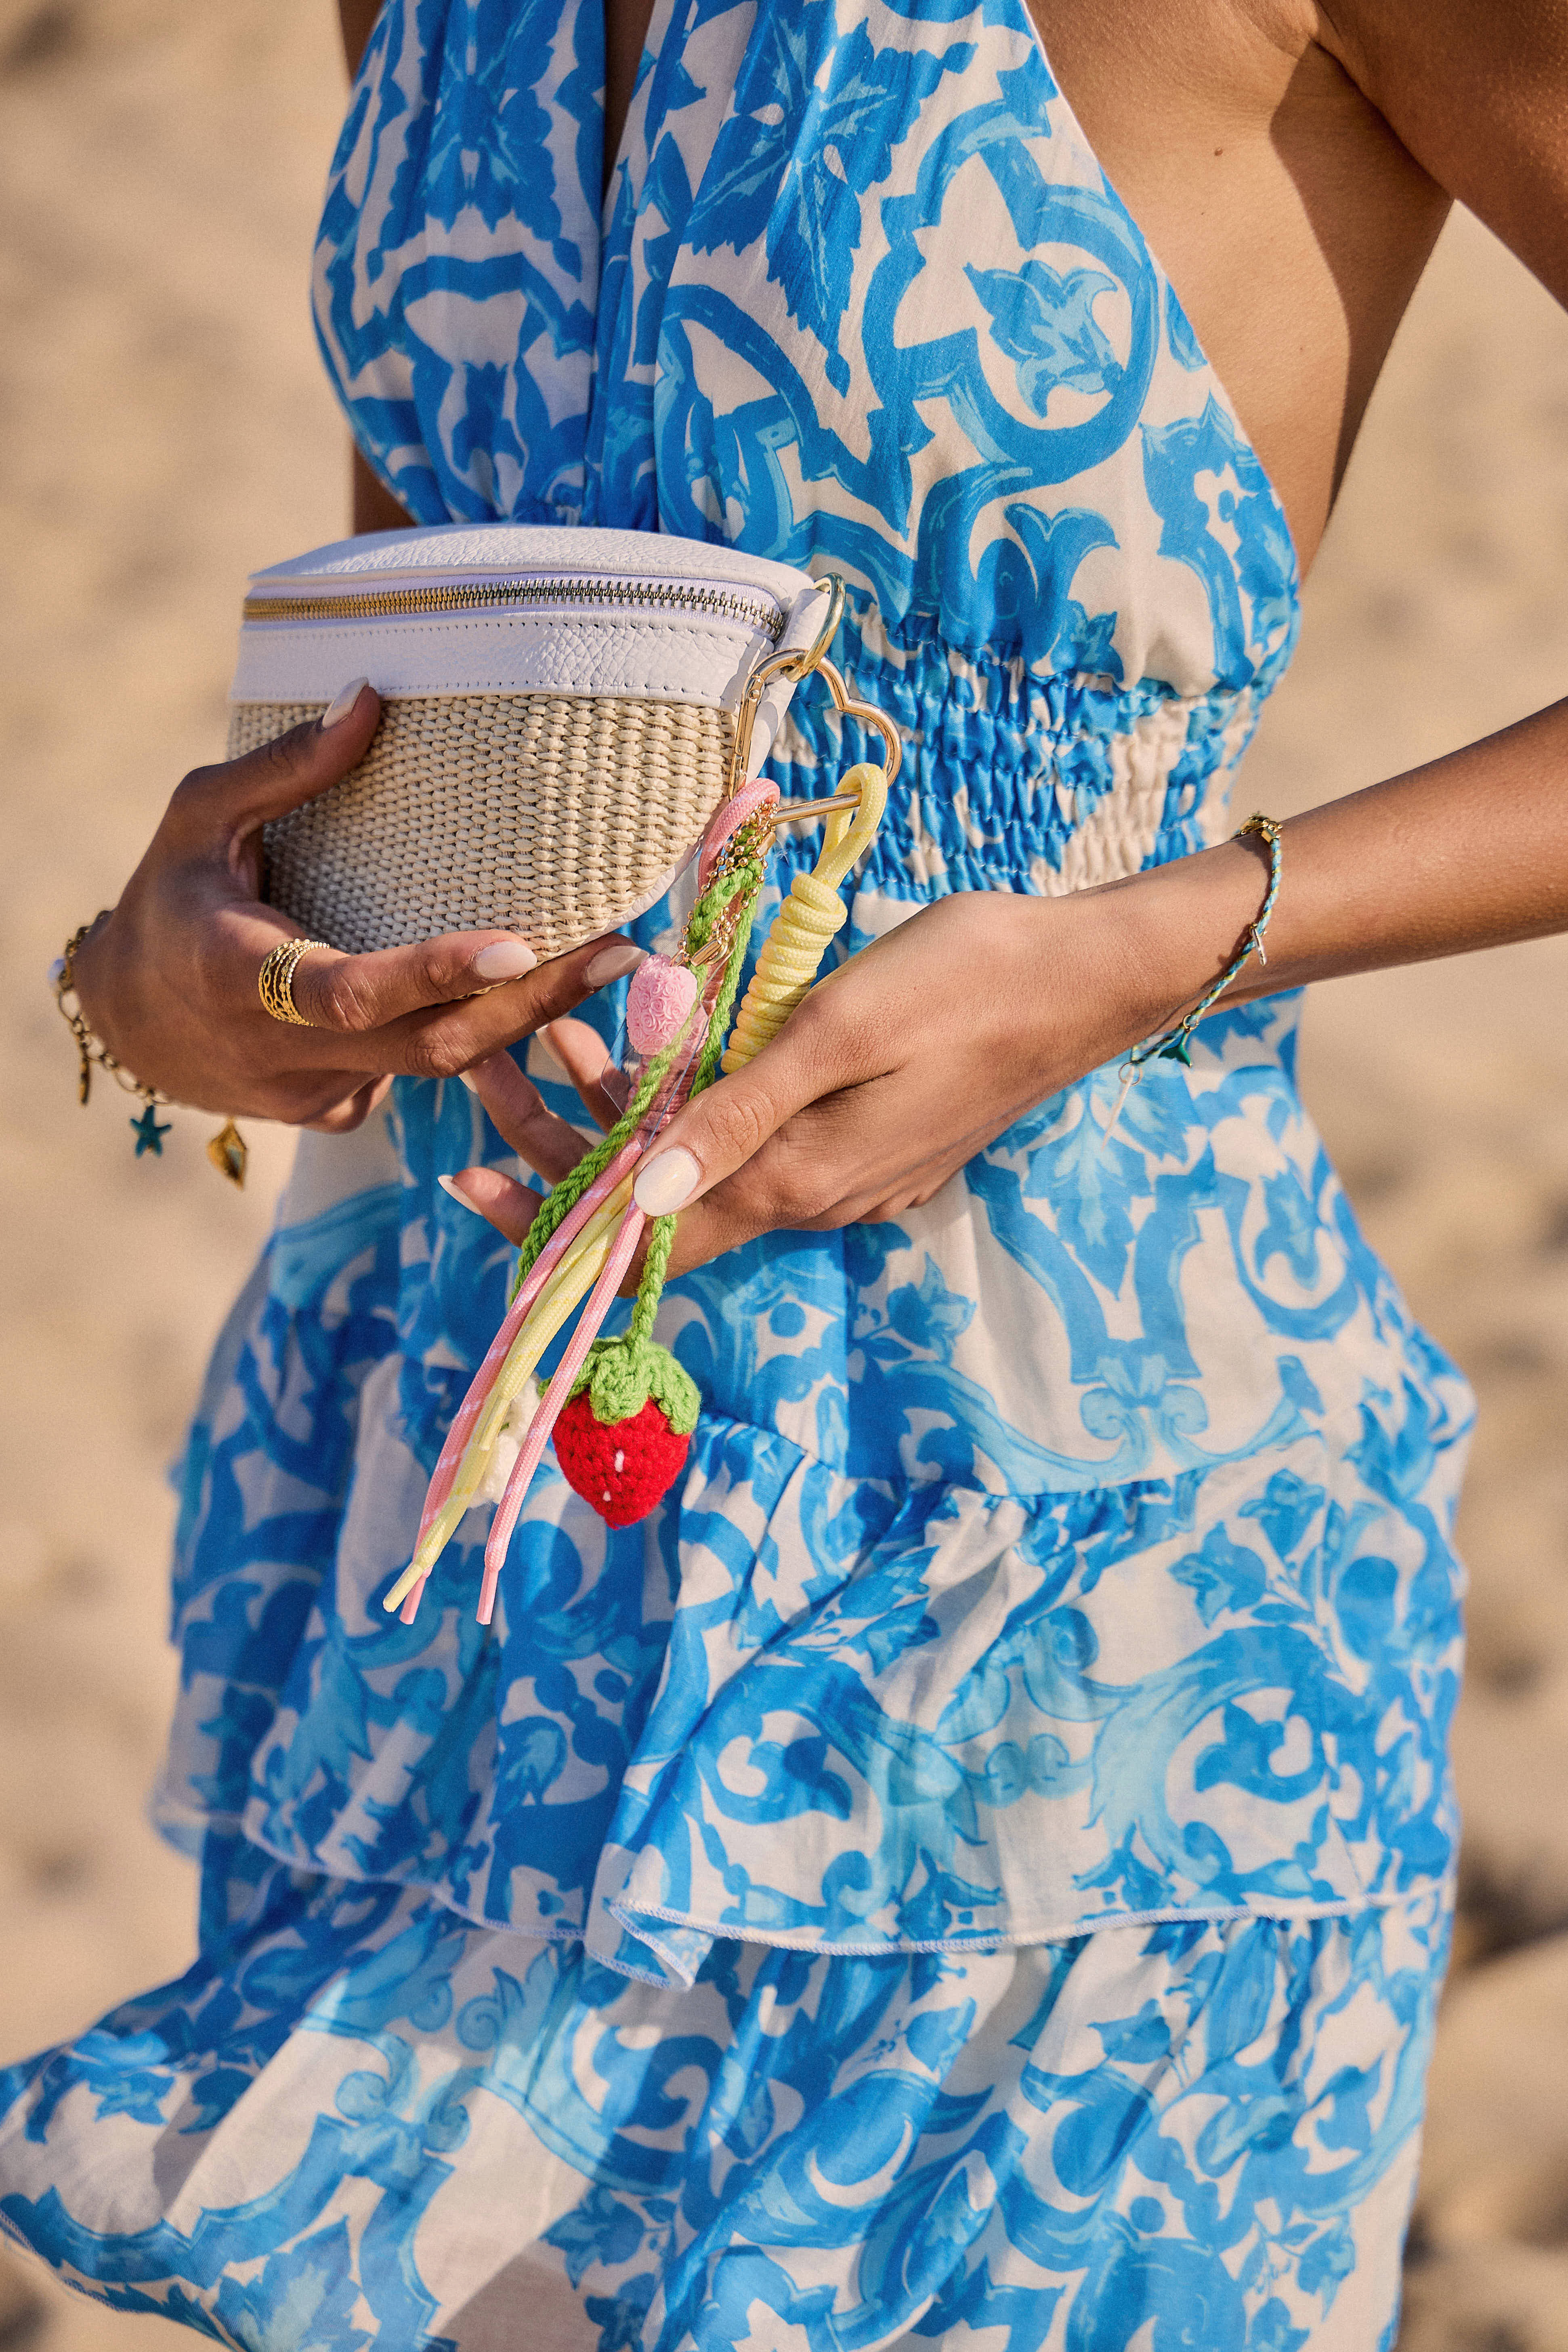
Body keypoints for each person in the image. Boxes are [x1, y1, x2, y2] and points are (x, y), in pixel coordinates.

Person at [3, 0, 1566, 2343]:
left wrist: (1163, 944)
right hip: (468, 1552)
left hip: (1067, 1609)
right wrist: (183, 967)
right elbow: (430, 669)